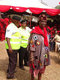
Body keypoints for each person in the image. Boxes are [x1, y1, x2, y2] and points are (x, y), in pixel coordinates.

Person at [28, 13, 50, 80]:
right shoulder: (35, 32)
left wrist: (47, 54)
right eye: (42, 21)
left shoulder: (45, 32)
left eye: (45, 22)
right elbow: (32, 44)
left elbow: (46, 44)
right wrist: (31, 56)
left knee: (41, 69)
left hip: (43, 55)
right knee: (34, 70)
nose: (43, 23)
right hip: (36, 55)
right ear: (39, 22)